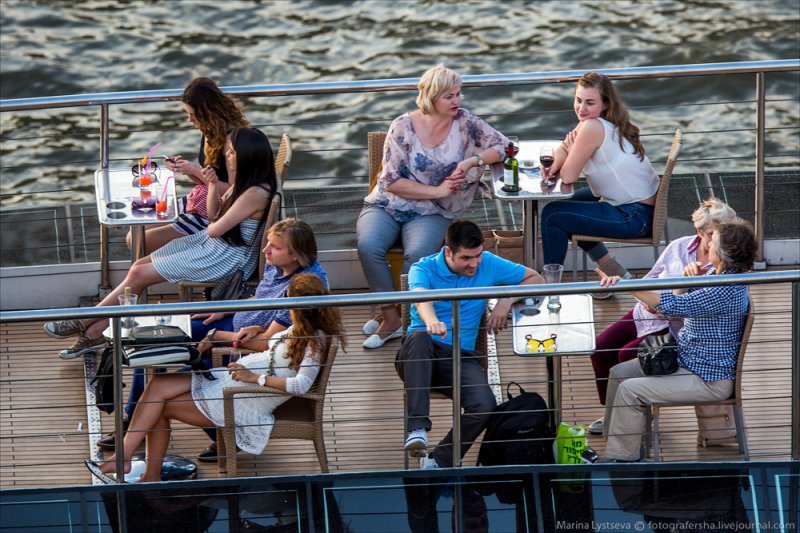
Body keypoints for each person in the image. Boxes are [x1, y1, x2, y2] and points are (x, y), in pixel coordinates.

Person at [98, 218, 327, 460]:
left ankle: (222, 435)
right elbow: (260, 298)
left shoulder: (301, 289)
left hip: (241, 348)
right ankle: (135, 417)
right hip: (231, 325)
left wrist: (216, 336)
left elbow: (266, 342)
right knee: (154, 340)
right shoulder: (277, 264)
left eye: (275, 247)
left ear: (296, 256)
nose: (265, 251)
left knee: (175, 381)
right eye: (267, 243)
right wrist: (223, 309)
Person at [85, 273, 345, 483]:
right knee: (158, 384)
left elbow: (301, 385)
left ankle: (141, 470)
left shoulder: (314, 341)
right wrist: (256, 330)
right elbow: (275, 349)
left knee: (157, 406)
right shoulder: (300, 328)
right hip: (232, 381)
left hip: (244, 399)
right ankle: (126, 458)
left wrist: (254, 378)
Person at [45, 127, 275, 358]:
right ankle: (95, 331)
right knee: (138, 267)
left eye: (232, 152)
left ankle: (83, 321)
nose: (226, 156)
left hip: (227, 257)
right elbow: (214, 215)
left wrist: (215, 214)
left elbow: (215, 228)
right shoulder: (243, 183)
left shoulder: (255, 193)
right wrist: (213, 185)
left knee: (138, 274)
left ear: (248, 155)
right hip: (214, 245)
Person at [357, 64, 508, 350]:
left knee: (417, 255)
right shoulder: (402, 126)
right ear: (431, 97)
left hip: (434, 210)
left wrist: (472, 161)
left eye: (458, 94)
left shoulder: (465, 122)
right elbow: (390, 181)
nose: (457, 101)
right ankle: (391, 317)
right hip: (388, 203)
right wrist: (437, 189)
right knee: (368, 246)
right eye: (449, 96)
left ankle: (406, 317)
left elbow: (504, 146)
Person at [597, 221, 756, 462]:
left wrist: (624, 283)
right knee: (619, 373)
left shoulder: (723, 290)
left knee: (630, 390)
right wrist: (686, 279)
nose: (707, 245)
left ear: (724, 253)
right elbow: (673, 305)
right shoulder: (717, 276)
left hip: (707, 379)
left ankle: (622, 458)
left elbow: (670, 306)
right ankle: (616, 442)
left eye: (713, 242)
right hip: (688, 360)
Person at [396, 220, 544, 469]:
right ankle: (418, 428)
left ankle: (439, 459)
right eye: (466, 258)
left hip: (460, 357)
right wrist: (431, 321)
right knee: (419, 337)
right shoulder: (423, 268)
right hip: (419, 356)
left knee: (485, 406)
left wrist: (505, 301)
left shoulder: (488, 263)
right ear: (448, 252)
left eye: (477, 255)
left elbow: (536, 279)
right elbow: (421, 299)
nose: (474, 263)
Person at [587, 199, 738, 435]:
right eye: (712, 234)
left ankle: (635, 417)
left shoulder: (723, 266)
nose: (717, 240)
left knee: (627, 355)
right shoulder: (679, 246)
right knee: (600, 348)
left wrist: (665, 303)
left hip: (675, 327)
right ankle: (613, 413)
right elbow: (650, 279)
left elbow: (691, 309)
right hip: (646, 313)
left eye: (723, 232)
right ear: (698, 231)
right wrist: (646, 303)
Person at [539, 71, 660, 289]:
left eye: (590, 102)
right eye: (578, 100)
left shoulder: (591, 126)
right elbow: (562, 150)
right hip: (637, 207)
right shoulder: (596, 122)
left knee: (553, 214)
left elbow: (568, 176)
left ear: (605, 104)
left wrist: (566, 153)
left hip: (634, 215)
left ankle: (550, 287)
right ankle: (611, 267)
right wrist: (558, 158)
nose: (581, 108)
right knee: (571, 206)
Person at [126, 77, 250, 254]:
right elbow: (207, 179)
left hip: (218, 211)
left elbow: (233, 191)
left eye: (193, 114)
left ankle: (159, 265)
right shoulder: (210, 131)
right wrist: (188, 170)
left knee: (138, 240)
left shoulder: (232, 141)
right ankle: (156, 264)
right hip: (201, 199)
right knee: (136, 230)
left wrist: (195, 170)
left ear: (208, 111)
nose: (189, 120)